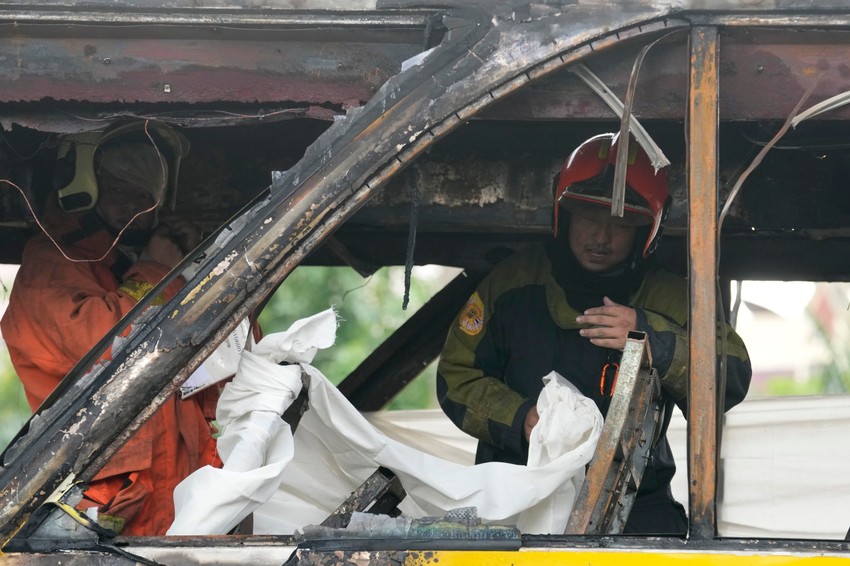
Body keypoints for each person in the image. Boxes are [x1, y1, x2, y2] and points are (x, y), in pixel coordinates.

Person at [436, 132, 752, 535]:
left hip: (637, 506)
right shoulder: (512, 284)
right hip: (520, 495)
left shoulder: (671, 298)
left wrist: (650, 337)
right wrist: (522, 420)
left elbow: (732, 375)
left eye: (621, 223)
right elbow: (457, 377)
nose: (601, 237)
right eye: (588, 217)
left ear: (648, 228)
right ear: (564, 213)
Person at [0, 119, 219, 536]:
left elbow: (237, 357)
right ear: (84, 184)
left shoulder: (155, 262)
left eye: (144, 194)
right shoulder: (51, 263)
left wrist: (199, 270)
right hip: (106, 505)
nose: (134, 205)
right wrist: (155, 270)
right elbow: (105, 349)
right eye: (119, 189)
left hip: (188, 497)